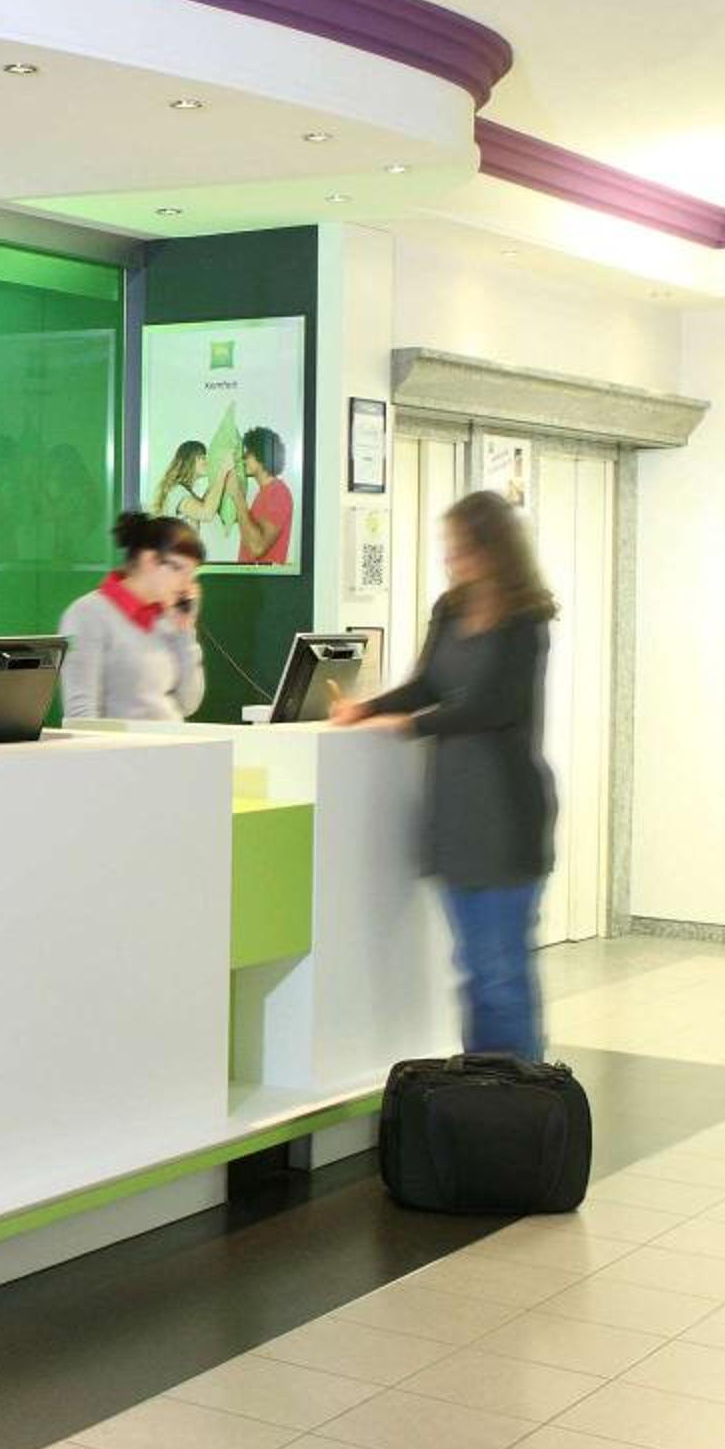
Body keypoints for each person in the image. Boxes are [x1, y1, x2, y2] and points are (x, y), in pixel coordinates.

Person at [332, 489, 558, 1060]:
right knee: (472, 968)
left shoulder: (526, 621)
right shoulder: (450, 609)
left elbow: (494, 705)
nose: (451, 559)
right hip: (456, 812)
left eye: (461, 548)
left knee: (502, 973)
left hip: (506, 816)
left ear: (494, 550)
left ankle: (522, 1090)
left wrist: (410, 725)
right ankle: (481, 1088)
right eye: (449, 548)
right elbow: (428, 684)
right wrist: (367, 708)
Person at [56, 512, 207, 722]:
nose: (187, 584)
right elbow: (81, 715)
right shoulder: (88, 614)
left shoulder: (167, 617)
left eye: (192, 575)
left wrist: (185, 632)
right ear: (149, 560)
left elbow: (188, 704)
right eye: (179, 569)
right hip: (122, 742)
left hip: (172, 737)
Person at [237, 426, 295, 567]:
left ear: (261, 455)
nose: (243, 459)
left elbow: (257, 547)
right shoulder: (264, 492)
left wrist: (237, 496)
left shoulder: (278, 493)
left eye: (247, 454)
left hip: (263, 578)